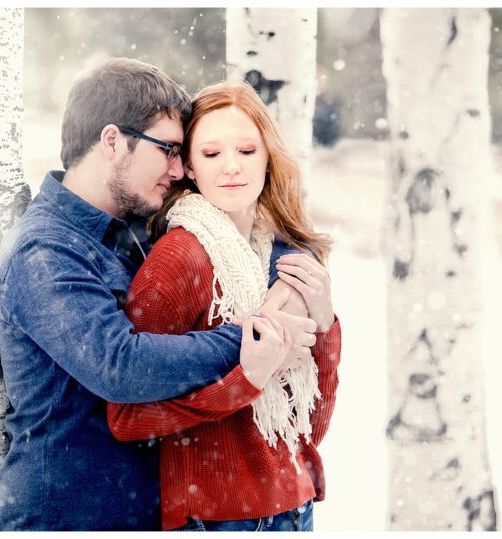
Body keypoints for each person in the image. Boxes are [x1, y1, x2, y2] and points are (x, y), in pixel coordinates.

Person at [0, 59, 318, 531]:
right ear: (111, 141)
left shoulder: (136, 231)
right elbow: (120, 365)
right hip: (67, 520)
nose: (177, 168)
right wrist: (256, 335)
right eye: (168, 150)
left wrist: (308, 303)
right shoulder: (44, 249)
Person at [107, 82, 342, 532]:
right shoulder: (178, 259)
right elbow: (127, 418)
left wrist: (325, 323)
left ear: (269, 157)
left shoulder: (282, 256)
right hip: (217, 519)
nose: (232, 166)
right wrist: (245, 381)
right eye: (211, 154)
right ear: (189, 168)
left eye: (247, 150)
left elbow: (307, 429)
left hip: (296, 509)